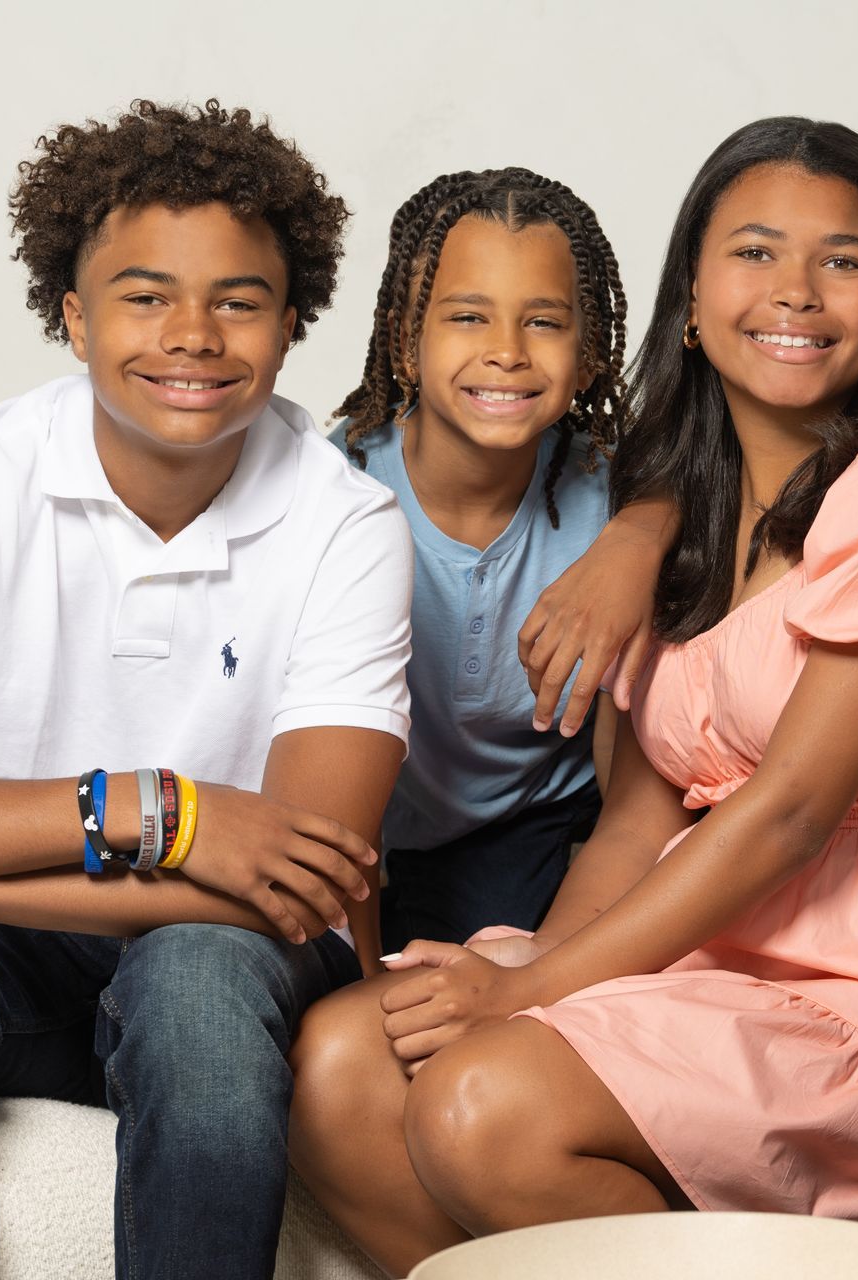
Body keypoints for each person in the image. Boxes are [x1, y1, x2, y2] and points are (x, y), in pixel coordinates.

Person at [286, 116, 858, 1278]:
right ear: (689, 299)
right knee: (341, 1057)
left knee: (482, 1103)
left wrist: (532, 993)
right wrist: (526, 976)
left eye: (843, 261)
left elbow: (794, 807)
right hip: (712, 948)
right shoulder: (677, 529)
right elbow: (639, 823)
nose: (796, 290)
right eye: (755, 251)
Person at [0, 99, 413, 1279]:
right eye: (143, 294)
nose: (194, 332)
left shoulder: (349, 525)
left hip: (222, 946)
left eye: (239, 298)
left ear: (289, 324)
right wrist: (160, 809)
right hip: (39, 947)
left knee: (198, 977)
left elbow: (299, 886)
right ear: (72, 318)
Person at [329, 168, 628, 950]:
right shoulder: (329, 490)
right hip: (360, 814)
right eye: (467, 316)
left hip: (536, 814)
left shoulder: (619, 502)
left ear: (589, 353)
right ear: (404, 338)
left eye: (544, 323)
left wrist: (641, 537)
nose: (506, 352)